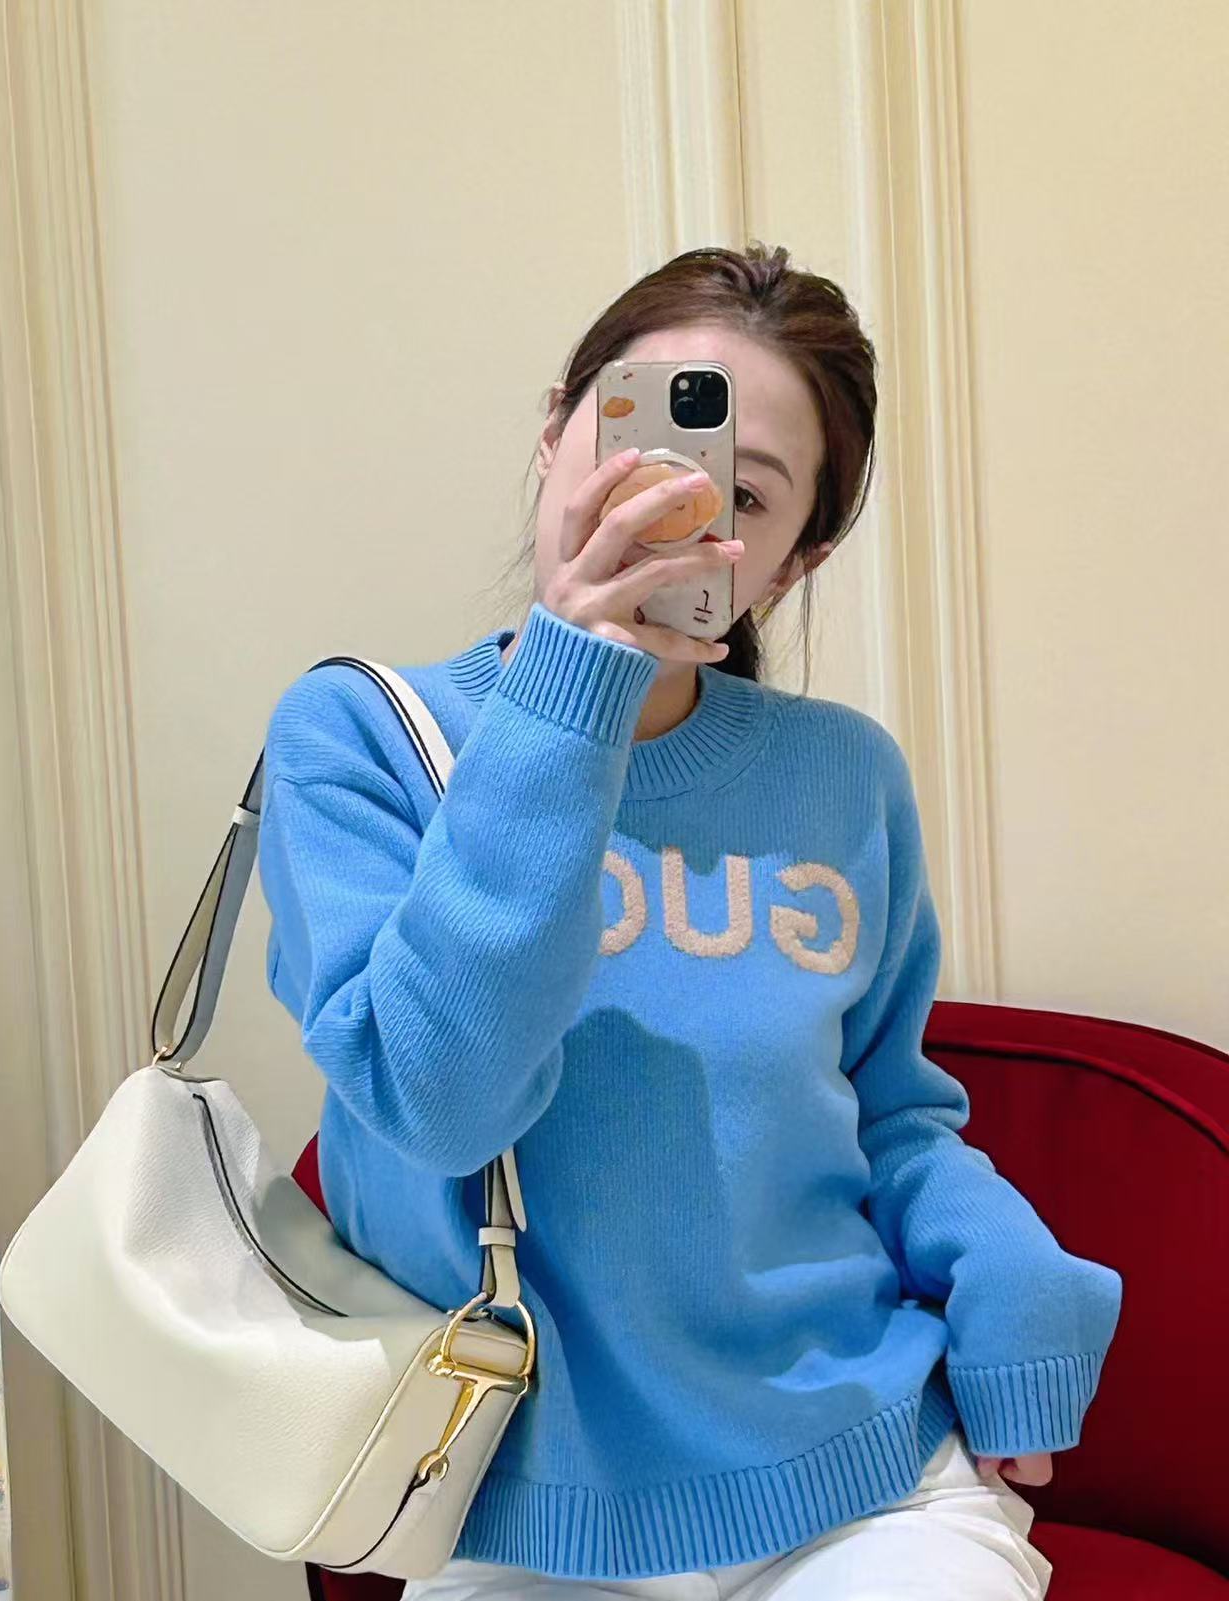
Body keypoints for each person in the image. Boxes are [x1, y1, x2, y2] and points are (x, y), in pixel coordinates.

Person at [258, 243, 1122, 1599]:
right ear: (555, 437)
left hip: (858, 1472)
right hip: (521, 1510)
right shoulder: (360, 738)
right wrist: (573, 687)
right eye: (635, 446)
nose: (669, 507)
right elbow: (433, 1104)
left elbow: (890, 1112)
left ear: (792, 559)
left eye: (741, 492)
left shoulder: (840, 774)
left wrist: (1009, 1272)